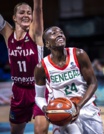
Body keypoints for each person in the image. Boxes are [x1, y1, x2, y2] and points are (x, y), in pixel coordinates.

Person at [34, 26, 104, 134]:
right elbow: (39, 97)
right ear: (47, 44)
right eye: (54, 33)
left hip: (86, 107)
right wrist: (46, 109)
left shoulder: (79, 54)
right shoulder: (41, 67)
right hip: (62, 110)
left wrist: (79, 106)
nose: (59, 34)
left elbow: (93, 83)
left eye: (61, 32)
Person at [0, 1, 49, 134]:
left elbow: (38, 8)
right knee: (15, 132)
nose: (26, 15)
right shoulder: (9, 34)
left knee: (41, 131)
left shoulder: (35, 33)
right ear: (14, 17)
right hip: (18, 91)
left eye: (29, 12)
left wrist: (37, 4)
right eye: (22, 12)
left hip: (39, 89)